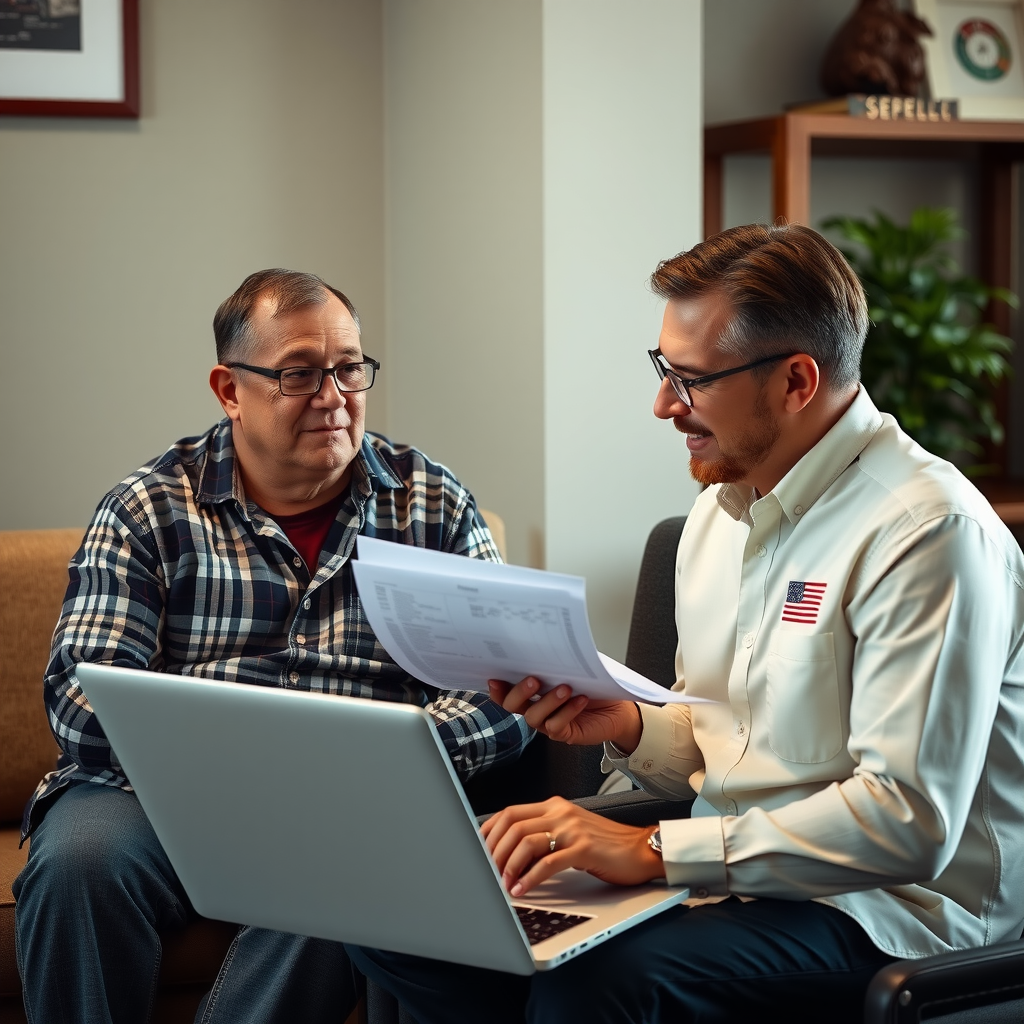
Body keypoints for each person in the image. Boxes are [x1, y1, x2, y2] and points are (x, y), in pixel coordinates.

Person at [348, 223, 1024, 1023]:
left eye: (691, 379)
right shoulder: (717, 517)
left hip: (893, 915)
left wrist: (653, 852)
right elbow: (727, 745)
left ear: (796, 382)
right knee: (401, 919)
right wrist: (632, 725)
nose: (664, 403)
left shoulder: (926, 531)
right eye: (663, 369)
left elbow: (907, 822)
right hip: (728, 880)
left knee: (595, 989)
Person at [13, 269, 532, 1024]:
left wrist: (402, 754)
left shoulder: (433, 502)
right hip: (160, 796)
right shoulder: (148, 507)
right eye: (298, 373)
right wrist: (239, 763)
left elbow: (507, 688)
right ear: (230, 390)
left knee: (351, 873)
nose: (333, 395)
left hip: (355, 803)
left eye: (349, 367)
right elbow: (81, 693)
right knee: (79, 864)